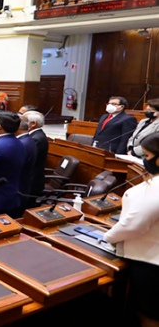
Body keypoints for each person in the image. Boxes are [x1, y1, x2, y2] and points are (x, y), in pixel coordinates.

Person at [103, 133, 159, 327]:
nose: (144, 161)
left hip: (151, 264)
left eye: (147, 156)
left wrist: (108, 236)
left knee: (148, 315)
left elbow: (133, 225)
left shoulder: (154, 189)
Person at [22, 111, 48, 200]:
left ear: (33, 124)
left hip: (32, 181)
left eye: (24, 121)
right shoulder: (36, 135)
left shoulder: (35, 138)